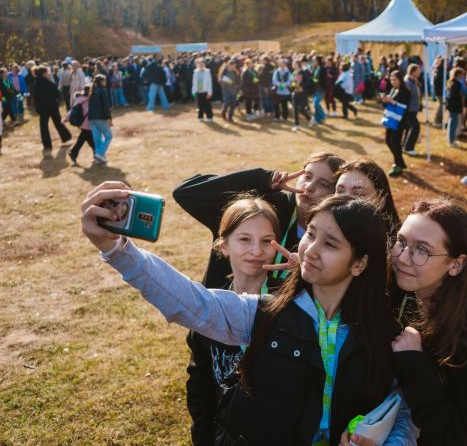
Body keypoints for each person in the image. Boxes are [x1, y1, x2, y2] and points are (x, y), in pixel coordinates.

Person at [81, 189, 417, 446]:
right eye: (311, 234)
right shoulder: (263, 313)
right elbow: (191, 301)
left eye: (330, 244)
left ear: (359, 263)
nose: (311, 249)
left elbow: (399, 410)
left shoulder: (385, 334)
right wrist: (117, 250)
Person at [391, 198, 467, 445]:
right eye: (401, 242)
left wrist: (415, 365)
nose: (402, 257)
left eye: (421, 249)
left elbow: (461, 438)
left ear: (456, 264)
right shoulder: (408, 292)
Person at [185, 196, 283, 446]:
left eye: (266, 241)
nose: (256, 251)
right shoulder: (210, 305)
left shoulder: (287, 307)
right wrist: (203, 437)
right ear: (224, 245)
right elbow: (200, 383)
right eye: (244, 239)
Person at [173, 152, 345, 290]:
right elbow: (186, 193)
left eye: (324, 184)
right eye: (307, 176)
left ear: (336, 193)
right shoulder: (263, 207)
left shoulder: (330, 238)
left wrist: (306, 267)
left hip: (274, 326)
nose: (309, 187)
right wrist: (262, 179)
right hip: (216, 313)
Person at [334, 158, 402, 236]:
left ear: (380, 201)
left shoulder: (392, 244)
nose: (345, 199)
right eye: (340, 191)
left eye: (358, 194)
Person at [32, 66, 72, 151]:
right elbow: (56, 94)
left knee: (44, 126)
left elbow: (35, 97)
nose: (48, 74)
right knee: (58, 122)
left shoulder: (36, 83)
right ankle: (66, 136)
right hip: (52, 107)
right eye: (47, 72)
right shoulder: (49, 83)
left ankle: (47, 144)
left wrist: (37, 107)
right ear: (44, 73)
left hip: (42, 108)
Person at [382, 70, 411, 177]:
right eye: (391, 80)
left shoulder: (405, 91)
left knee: (395, 143)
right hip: (391, 120)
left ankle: (398, 165)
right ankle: (400, 162)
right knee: (388, 141)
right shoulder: (393, 89)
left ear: (400, 79)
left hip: (400, 122)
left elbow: (405, 107)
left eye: (395, 80)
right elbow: (387, 106)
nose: (392, 82)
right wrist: (385, 101)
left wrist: (393, 102)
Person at [65, 86, 94, 165]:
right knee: (86, 137)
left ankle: (96, 153)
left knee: (85, 137)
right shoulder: (88, 100)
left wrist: (66, 118)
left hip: (82, 123)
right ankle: (74, 152)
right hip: (87, 123)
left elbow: (73, 110)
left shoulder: (79, 99)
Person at [88, 74, 113, 164]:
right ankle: (99, 154)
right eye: (104, 80)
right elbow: (105, 106)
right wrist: (109, 118)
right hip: (100, 117)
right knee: (109, 136)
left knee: (97, 139)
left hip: (92, 118)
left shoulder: (92, 92)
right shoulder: (102, 91)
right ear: (101, 82)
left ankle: (99, 158)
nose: (105, 82)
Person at [402, 64, 422, 156]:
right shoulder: (407, 82)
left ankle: (404, 145)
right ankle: (408, 147)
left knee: (409, 127)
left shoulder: (413, 81)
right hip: (409, 109)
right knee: (415, 126)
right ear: (413, 71)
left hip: (413, 108)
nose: (420, 72)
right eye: (418, 70)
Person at [290, 59, 314, 132]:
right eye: (293, 63)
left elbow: (308, 83)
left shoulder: (304, 72)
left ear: (298, 65)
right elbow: (292, 83)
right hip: (295, 93)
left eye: (295, 63)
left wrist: (300, 83)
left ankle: (310, 118)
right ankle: (296, 125)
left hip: (303, 93)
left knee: (301, 109)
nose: (293, 65)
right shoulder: (293, 73)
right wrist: (293, 85)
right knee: (295, 110)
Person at [446, 67, 464, 147]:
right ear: (458, 75)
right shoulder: (456, 84)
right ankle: (451, 140)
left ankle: (451, 139)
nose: (462, 76)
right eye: (461, 74)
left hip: (452, 106)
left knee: (452, 122)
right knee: (453, 123)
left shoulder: (453, 82)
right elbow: (454, 97)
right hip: (454, 107)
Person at [311, 55, 327, 125]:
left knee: (316, 103)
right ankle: (317, 119)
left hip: (320, 88)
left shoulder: (323, 69)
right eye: (313, 60)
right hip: (314, 88)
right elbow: (312, 77)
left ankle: (323, 116)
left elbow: (322, 80)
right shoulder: (314, 68)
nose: (313, 61)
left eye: (314, 60)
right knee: (315, 104)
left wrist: (314, 80)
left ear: (318, 61)